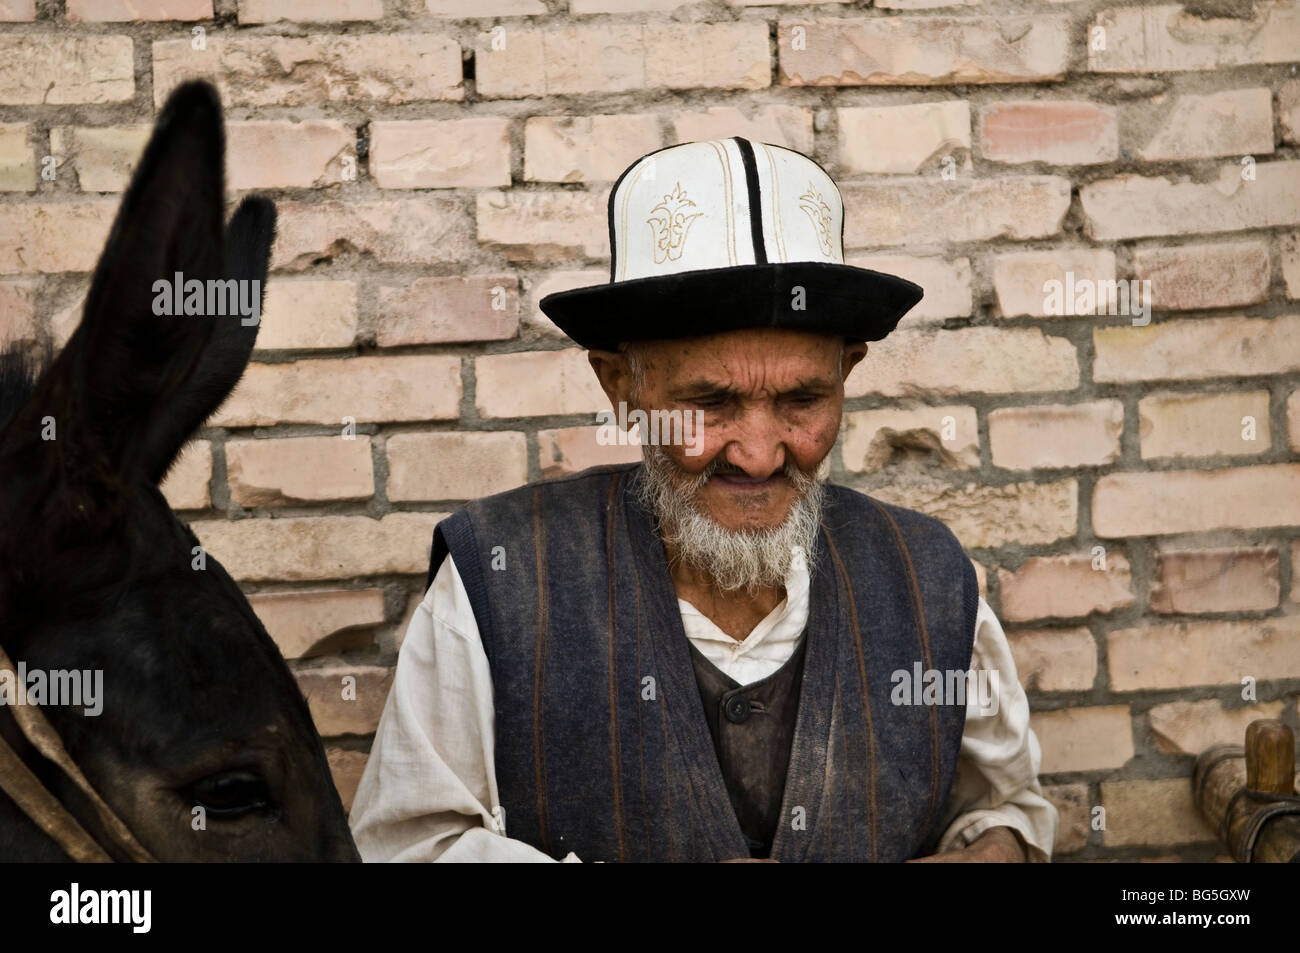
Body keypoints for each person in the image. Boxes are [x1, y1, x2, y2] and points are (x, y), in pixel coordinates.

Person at [349, 137, 1058, 862]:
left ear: (849, 372)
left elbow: (1002, 811)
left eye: (803, 399)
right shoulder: (497, 578)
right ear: (620, 385)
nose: (759, 452)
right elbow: (410, 845)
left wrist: (994, 850)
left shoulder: (928, 578)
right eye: (710, 403)